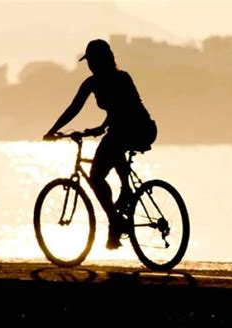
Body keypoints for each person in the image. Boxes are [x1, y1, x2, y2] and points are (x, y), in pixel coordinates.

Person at [43, 39, 157, 250]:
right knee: (113, 142)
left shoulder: (122, 78)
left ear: (101, 60)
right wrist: (53, 129)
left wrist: (103, 126)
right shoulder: (91, 83)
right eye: (89, 62)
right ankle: (124, 196)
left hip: (141, 129)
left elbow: (127, 108)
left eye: (92, 61)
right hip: (120, 130)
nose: (90, 65)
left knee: (96, 175)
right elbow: (74, 108)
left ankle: (115, 220)